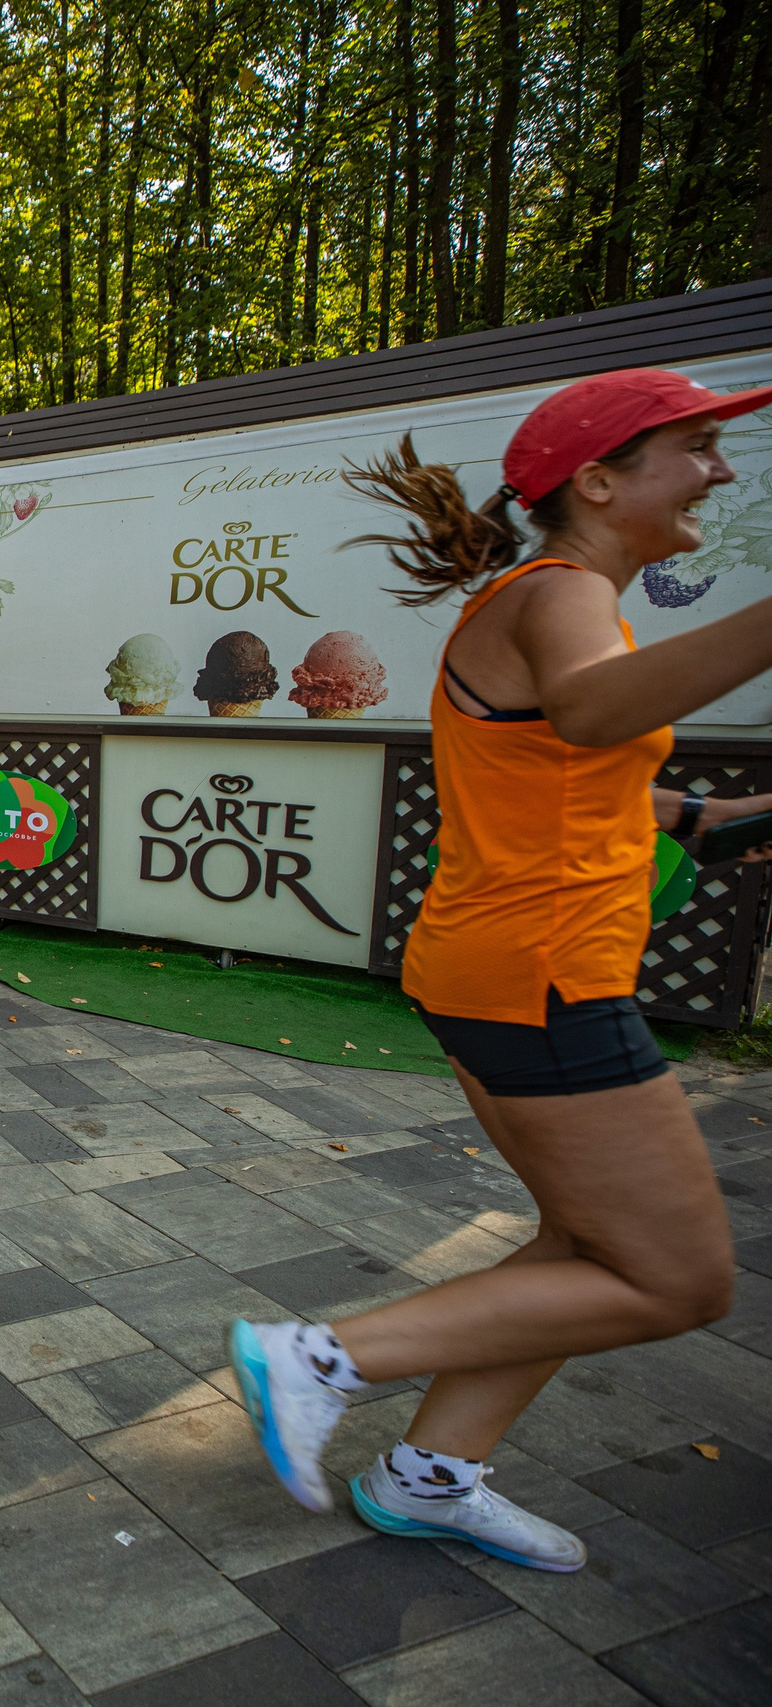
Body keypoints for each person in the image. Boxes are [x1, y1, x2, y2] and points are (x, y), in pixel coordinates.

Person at [230, 367, 772, 1572]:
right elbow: (588, 715)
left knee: (591, 1252)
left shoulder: (561, 598)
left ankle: (429, 1477)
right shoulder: (563, 590)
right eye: (695, 447)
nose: (720, 470)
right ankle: (321, 1360)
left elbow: (572, 768)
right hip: (540, 979)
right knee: (680, 1279)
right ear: (598, 479)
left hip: (512, 965)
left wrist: (704, 816)